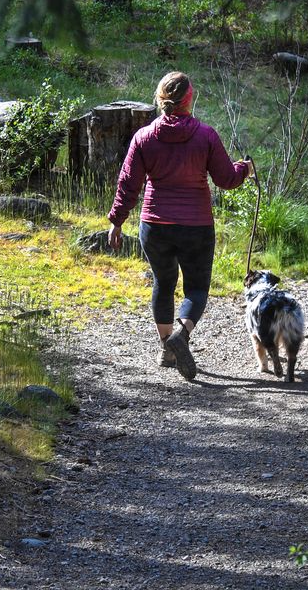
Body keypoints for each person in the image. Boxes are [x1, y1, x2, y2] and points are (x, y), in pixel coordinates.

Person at [107, 72, 252, 380]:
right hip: (196, 225)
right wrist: (244, 169)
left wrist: (117, 222)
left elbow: (127, 185)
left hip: (155, 224)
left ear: (160, 100)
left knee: (163, 283)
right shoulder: (206, 135)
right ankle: (181, 336)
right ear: (189, 100)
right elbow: (226, 179)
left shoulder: (144, 137)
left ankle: (166, 349)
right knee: (196, 289)